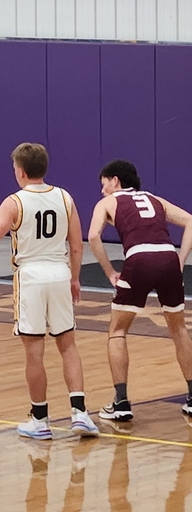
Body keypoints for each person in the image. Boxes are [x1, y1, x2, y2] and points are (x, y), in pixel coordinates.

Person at [0, 142, 99, 439]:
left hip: (31, 276)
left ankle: (40, 419)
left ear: (21, 171)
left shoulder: (14, 202)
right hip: (60, 272)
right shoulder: (65, 198)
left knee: (34, 352)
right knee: (68, 345)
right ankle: (80, 414)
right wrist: (75, 278)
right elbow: (77, 244)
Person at [87, 159, 192, 422]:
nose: (102, 191)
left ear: (115, 181)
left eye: (104, 185)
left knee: (117, 330)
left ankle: (121, 402)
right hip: (168, 257)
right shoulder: (155, 199)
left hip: (139, 258)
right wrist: (180, 259)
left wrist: (110, 271)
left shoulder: (108, 202)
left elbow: (93, 236)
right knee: (179, 329)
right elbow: (190, 221)